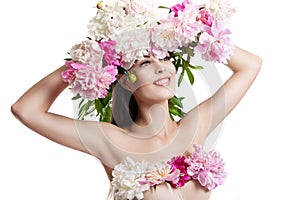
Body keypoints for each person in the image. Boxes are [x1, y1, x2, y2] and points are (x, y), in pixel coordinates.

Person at [11, 0, 262, 199]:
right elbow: (26, 110)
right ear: (123, 80)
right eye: (144, 62)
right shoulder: (109, 139)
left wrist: (190, 29)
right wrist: (90, 56)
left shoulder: (196, 126)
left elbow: (251, 65)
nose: (162, 67)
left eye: (165, 58)